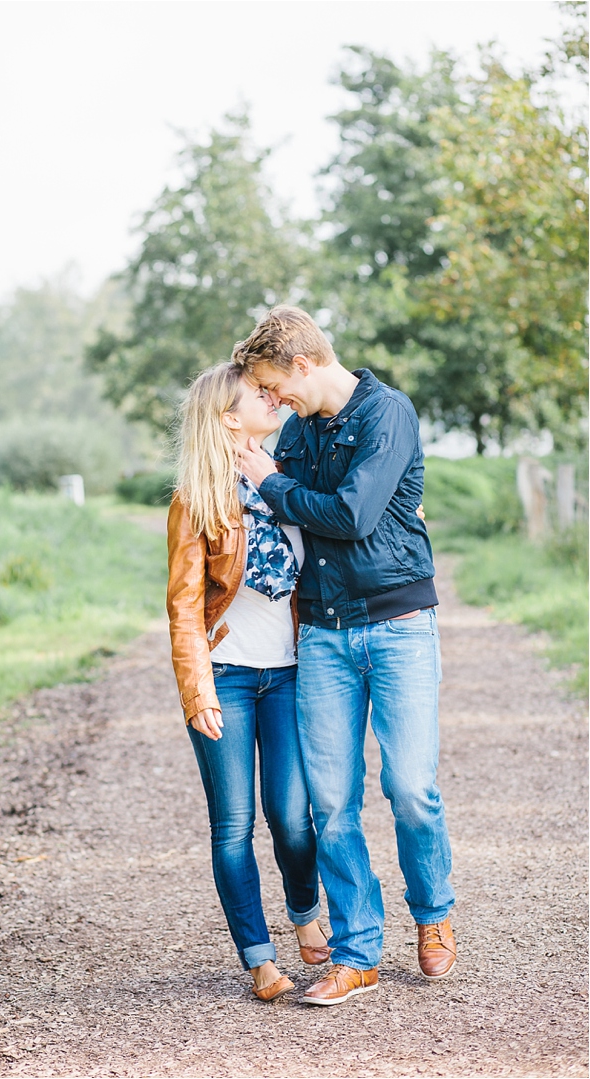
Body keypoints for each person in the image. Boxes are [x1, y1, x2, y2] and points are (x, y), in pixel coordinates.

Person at [233, 305, 456, 1007]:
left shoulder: (387, 413)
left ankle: (433, 911)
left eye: (275, 386)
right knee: (332, 804)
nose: (275, 401)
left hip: (398, 624)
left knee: (411, 789)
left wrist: (275, 483)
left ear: (302, 364)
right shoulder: (296, 433)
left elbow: (353, 515)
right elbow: (294, 511)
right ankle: (357, 953)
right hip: (324, 635)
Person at [166, 361, 330, 1002]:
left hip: (290, 673)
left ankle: (304, 910)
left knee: (291, 817)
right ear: (228, 417)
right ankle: (258, 957)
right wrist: (196, 689)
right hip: (227, 677)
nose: (273, 398)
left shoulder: (285, 477)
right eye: (258, 395)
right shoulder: (195, 500)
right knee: (232, 825)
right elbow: (183, 606)